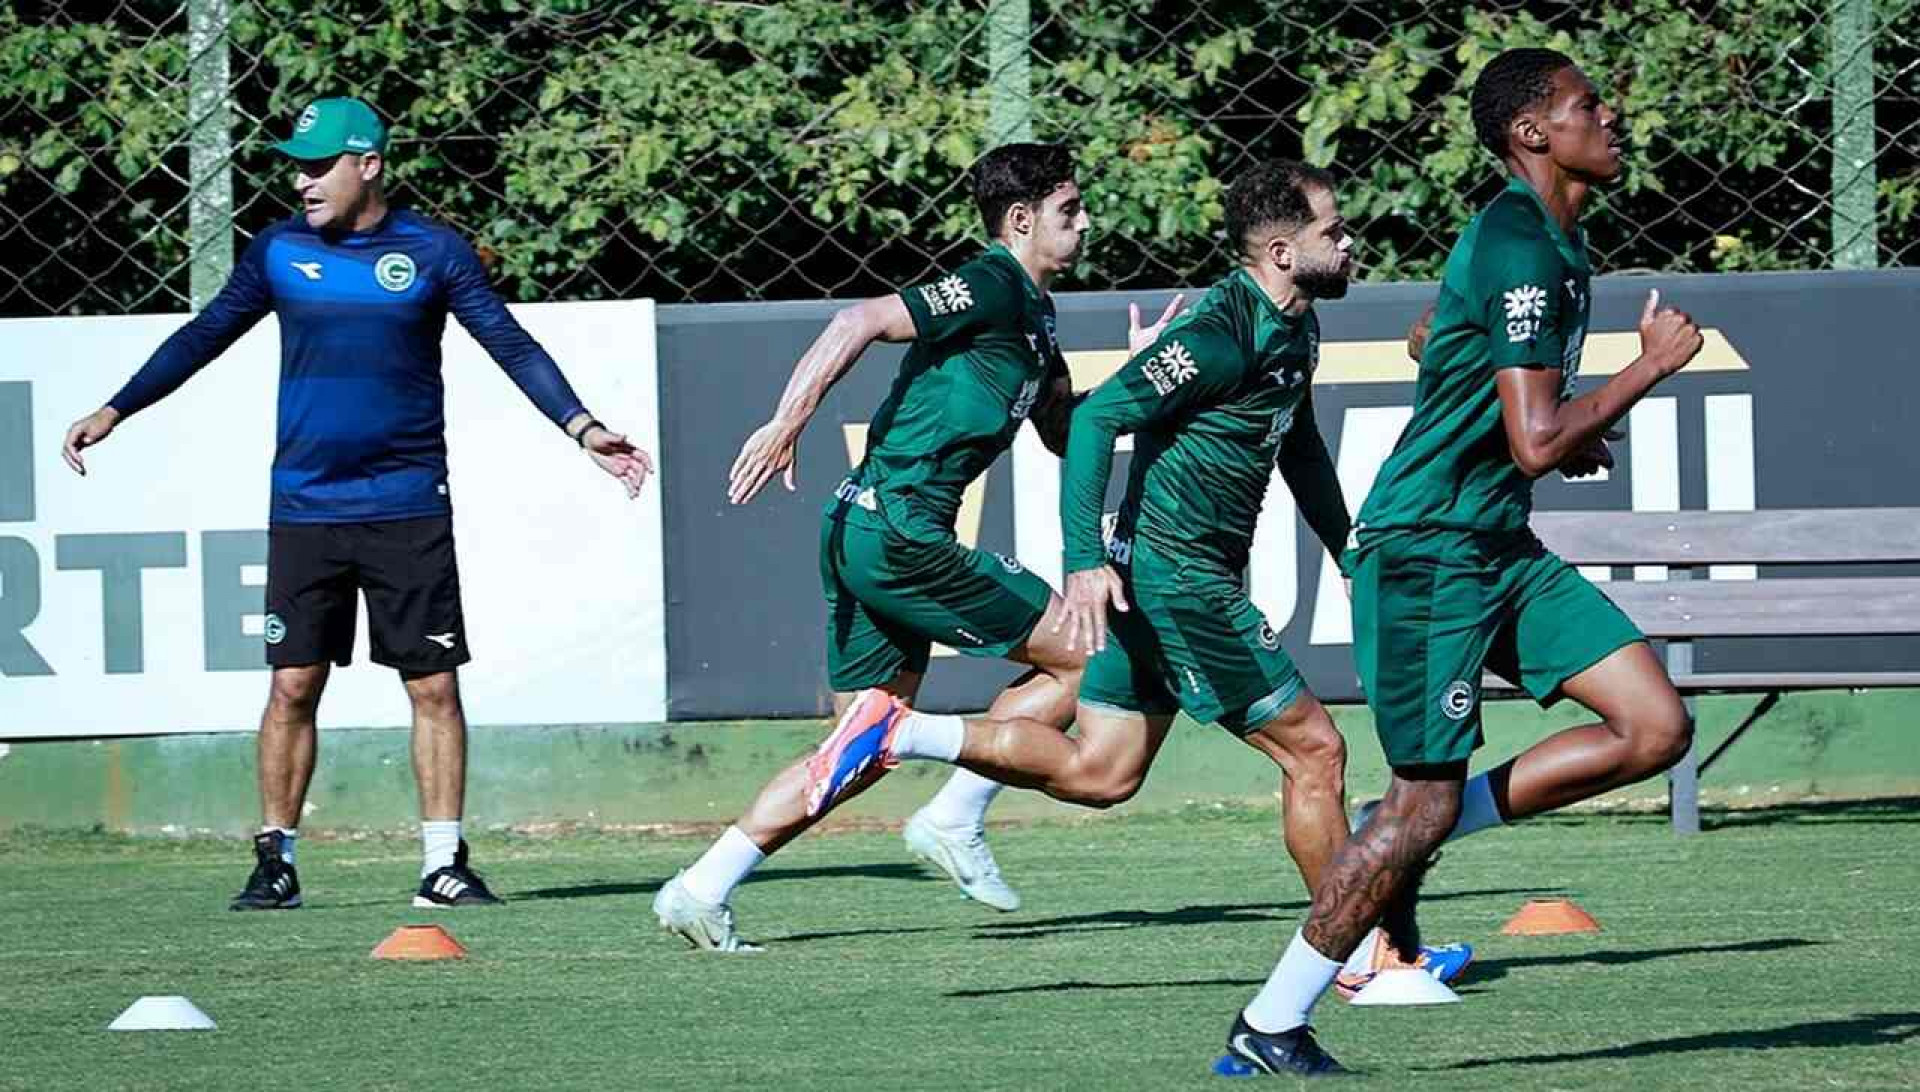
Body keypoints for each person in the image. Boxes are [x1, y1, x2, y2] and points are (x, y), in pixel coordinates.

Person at [792, 161, 1466, 989]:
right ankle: (1364, 963)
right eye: (1333, 231)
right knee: (1315, 753)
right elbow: (1099, 420)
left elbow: (1299, 445)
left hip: (1162, 578)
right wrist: (1080, 563)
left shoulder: (1296, 327)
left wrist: (1348, 551)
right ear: (1285, 252)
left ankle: (904, 734)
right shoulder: (1220, 332)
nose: (1349, 240)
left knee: (1103, 773)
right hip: (1176, 580)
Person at [1215, 48, 1704, 1076]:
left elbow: (1444, 344)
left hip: (1492, 542)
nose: (1610, 117)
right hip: (1433, 549)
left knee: (1654, 724)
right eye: (1587, 104)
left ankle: (1401, 826)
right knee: (1419, 804)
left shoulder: (1543, 243)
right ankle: (1270, 1020)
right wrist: (1646, 370)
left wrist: (1572, 429)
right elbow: (1532, 436)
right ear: (1535, 134)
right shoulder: (1524, 242)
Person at [60, 96, 652, 911]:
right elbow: (201, 338)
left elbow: (510, 343)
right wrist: (115, 409)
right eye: (296, 165)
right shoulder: (277, 251)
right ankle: (275, 860)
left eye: (317, 165)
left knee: (433, 685)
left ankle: (443, 863)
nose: (302, 181)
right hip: (305, 506)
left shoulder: (435, 253)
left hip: (407, 503)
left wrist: (582, 428)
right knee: (292, 685)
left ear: (368, 164)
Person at [653, 142, 1179, 948]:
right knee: (1085, 649)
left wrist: (1137, 378)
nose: (1086, 223)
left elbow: (1067, 433)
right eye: (1070, 211)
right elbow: (857, 319)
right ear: (1020, 219)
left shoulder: (1036, 318)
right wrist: (785, 422)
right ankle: (956, 813)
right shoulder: (994, 282)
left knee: (860, 744)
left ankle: (700, 886)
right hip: (898, 532)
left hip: (864, 532)